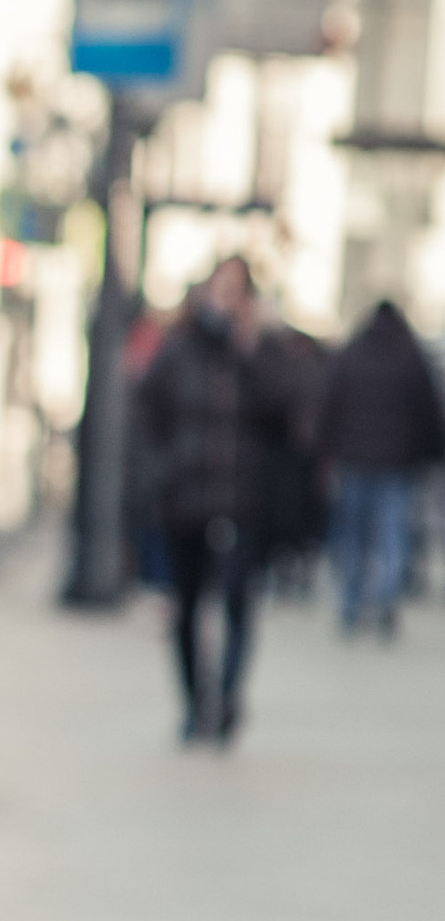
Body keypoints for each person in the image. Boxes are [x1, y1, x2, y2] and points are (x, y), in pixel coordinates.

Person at [131, 253, 315, 743]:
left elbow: (288, 414)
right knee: (187, 608)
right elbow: (146, 406)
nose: (228, 300)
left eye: (238, 291)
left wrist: (253, 347)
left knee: (237, 604)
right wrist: (163, 465)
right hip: (186, 498)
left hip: (243, 502)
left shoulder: (260, 352)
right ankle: (195, 704)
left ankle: (228, 698)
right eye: (221, 288)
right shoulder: (180, 348)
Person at [318, 296, 445, 635]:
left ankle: (351, 603)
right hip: (396, 462)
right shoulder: (410, 356)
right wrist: (429, 453)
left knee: (354, 536)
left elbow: (330, 403)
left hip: (355, 459)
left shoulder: (352, 353)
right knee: (391, 534)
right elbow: (428, 410)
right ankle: (386, 598)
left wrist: (326, 448)